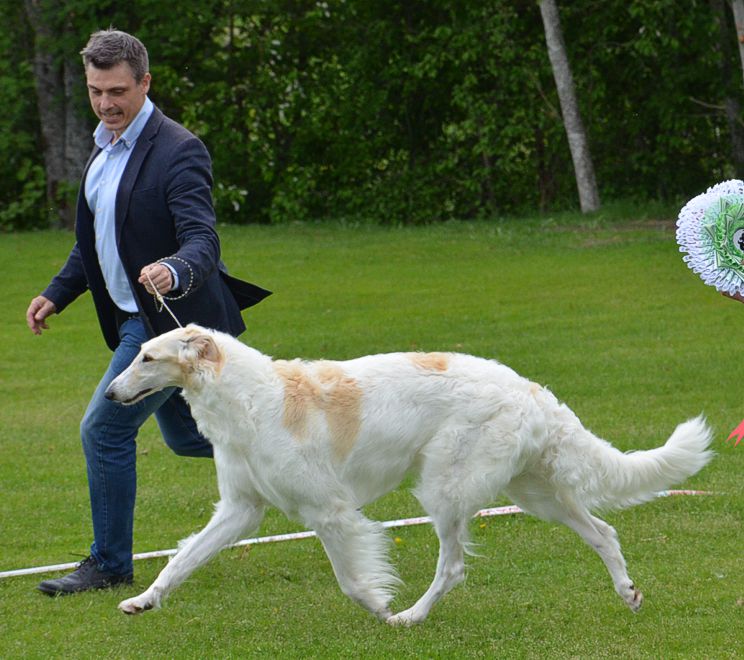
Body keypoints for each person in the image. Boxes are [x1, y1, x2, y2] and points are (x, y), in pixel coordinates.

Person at [25, 29, 270, 596]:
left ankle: (109, 565)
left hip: (168, 328)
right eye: (95, 91)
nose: (106, 104)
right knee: (191, 439)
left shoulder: (179, 149)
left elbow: (201, 241)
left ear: (145, 83)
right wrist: (57, 293)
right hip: (135, 319)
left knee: (103, 431)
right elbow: (97, 238)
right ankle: (306, 447)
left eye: (117, 92)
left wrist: (174, 271)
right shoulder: (103, 144)